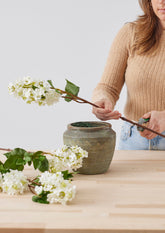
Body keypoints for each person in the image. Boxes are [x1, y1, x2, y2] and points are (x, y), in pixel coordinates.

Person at [92, 0, 165, 150]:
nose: (162, 2)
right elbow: (108, 87)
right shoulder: (131, 33)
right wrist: (102, 100)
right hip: (133, 141)